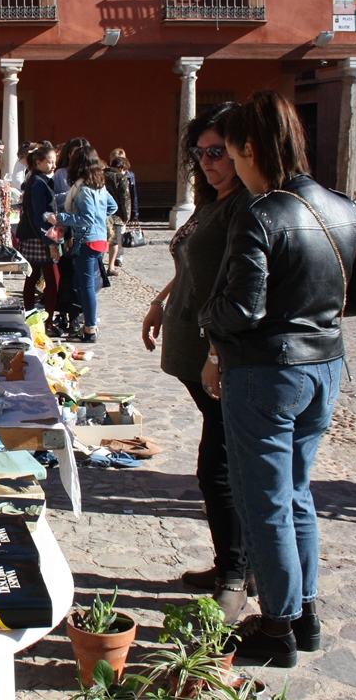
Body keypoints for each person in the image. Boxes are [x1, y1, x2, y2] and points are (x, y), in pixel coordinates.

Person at [198, 91, 356, 667]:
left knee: (266, 500)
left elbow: (241, 310)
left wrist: (206, 317)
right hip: (324, 365)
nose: (229, 163)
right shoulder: (344, 207)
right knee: (296, 492)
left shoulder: (262, 211)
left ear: (250, 149)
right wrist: (313, 311)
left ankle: (277, 628)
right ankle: (304, 613)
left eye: (231, 152)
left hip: (267, 374)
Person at [140, 102, 254, 623]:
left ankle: (236, 572)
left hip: (218, 357)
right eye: (200, 152)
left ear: (241, 152)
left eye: (218, 152)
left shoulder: (245, 208)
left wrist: (214, 352)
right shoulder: (213, 202)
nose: (208, 162)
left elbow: (238, 284)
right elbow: (192, 262)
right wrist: (162, 298)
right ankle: (234, 562)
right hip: (192, 348)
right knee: (219, 465)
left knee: (221, 468)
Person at [47, 145, 116, 343]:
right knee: (84, 285)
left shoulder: (84, 190)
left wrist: (59, 217)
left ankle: (90, 328)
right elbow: (112, 206)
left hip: (88, 241)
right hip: (98, 238)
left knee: (86, 287)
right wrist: (99, 220)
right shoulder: (99, 187)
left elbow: (85, 219)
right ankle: (89, 325)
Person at [15, 144, 59, 319]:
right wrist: (49, 242)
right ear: (39, 162)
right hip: (39, 237)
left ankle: (31, 315)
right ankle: (46, 320)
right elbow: (39, 215)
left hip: (34, 235)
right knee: (52, 280)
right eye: (50, 162)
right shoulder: (38, 182)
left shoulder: (36, 179)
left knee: (33, 278)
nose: (53, 165)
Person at [109, 148, 139, 268]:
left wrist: (134, 213)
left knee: (118, 238)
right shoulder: (115, 176)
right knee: (116, 239)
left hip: (117, 212)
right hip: (118, 213)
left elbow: (132, 195)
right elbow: (125, 199)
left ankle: (118, 258)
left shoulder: (129, 176)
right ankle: (112, 261)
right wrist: (127, 215)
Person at [103, 156, 131, 276]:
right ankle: (111, 266)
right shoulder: (120, 177)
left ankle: (98, 265)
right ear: (121, 168)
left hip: (102, 213)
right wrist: (127, 215)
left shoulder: (101, 174)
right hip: (116, 215)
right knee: (114, 242)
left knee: (102, 240)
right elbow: (125, 198)